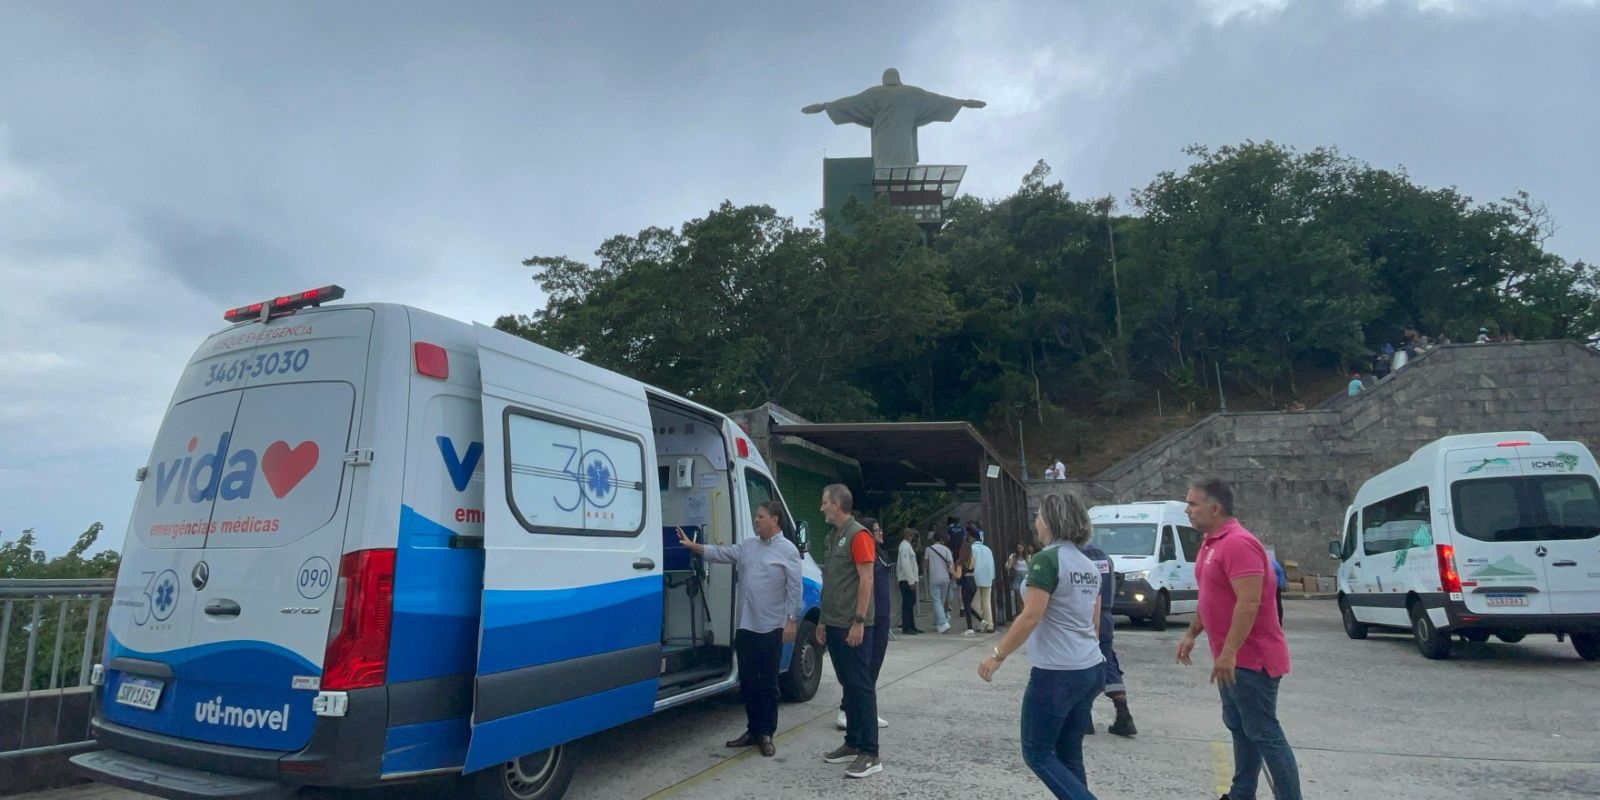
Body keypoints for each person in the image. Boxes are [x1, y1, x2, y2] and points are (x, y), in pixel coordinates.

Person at [1177, 479, 1301, 800]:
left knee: (1264, 732)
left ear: (1215, 508)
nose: (1187, 510)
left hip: (1252, 659)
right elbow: (1210, 596)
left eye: (1193, 503)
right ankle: (1241, 793)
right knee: (1240, 727)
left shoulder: (1238, 543)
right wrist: (1192, 634)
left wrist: (1230, 651)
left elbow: (1249, 601)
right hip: (1230, 660)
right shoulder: (1210, 543)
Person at [977, 493, 1106, 799]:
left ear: (1049, 521)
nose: (1035, 522)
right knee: (1069, 752)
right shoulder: (1088, 566)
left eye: (1038, 516)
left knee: (1037, 753)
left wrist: (997, 654)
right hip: (1090, 665)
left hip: (1057, 670)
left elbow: (1031, 615)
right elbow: (1095, 623)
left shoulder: (1046, 560)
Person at [673, 500, 801, 758]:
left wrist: (791, 620)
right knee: (748, 682)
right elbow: (722, 553)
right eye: (756, 516)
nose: (756, 520)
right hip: (745, 626)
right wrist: (694, 546)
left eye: (761, 516)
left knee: (768, 683)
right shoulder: (748, 546)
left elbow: (794, 588)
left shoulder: (788, 550)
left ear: (774, 520)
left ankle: (766, 733)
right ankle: (753, 730)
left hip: (770, 627)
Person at [815, 484, 882, 778]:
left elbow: (866, 579)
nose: (821, 508)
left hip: (851, 625)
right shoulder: (833, 536)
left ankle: (870, 752)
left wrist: (858, 621)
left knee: (861, 686)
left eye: (824, 502)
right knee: (849, 685)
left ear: (837, 504)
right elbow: (831, 582)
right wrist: (822, 620)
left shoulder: (858, 535)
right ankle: (853, 742)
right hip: (834, 622)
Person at [839, 518, 894, 732]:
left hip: (882, 616)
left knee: (875, 664)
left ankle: (867, 711)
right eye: (877, 530)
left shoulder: (881, 554)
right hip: (869, 618)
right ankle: (846, 709)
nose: (881, 533)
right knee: (861, 667)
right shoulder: (863, 555)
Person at [1079, 536, 1137, 737]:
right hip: (1105, 615)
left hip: (1083, 617)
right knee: (1107, 661)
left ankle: (1084, 718)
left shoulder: (1074, 556)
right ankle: (1123, 711)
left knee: (1082, 666)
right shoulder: (1103, 556)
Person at [925, 530, 954, 634]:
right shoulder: (946, 550)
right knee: (941, 601)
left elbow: (925, 564)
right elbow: (951, 565)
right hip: (945, 578)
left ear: (933, 539)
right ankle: (939, 624)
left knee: (936, 601)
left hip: (934, 577)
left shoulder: (928, 549)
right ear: (942, 540)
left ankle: (943, 622)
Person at [896, 527, 923, 635]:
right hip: (906, 580)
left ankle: (911, 625)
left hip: (909, 579)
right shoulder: (904, 547)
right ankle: (906, 627)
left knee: (911, 603)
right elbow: (906, 565)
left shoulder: (907, 546)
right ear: (910, 535)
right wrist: (911, 581)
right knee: (907, 604)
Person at [971, 530, 996, 633]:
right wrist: (992, 577)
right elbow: (991, 564)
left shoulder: (972, 548)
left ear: (971, 537)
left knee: (975, 602)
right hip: (987, 577)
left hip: (975, 577)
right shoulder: (987, 549)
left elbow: (971, 563)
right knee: (986, 602)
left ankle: (981, 623)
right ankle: (990, 625)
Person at [955, 534, 979, 636]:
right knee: (969, 605)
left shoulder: (960, 561)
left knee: (966, 606)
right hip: (973, 582)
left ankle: (970, 628)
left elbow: (958, 575)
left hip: (965, 584)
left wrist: (952, 571)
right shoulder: (973, 559)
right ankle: (982, 620)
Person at [1007, 542, 1030, 615]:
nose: (1020, 550)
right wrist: (1011, 562)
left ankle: (1024, 612)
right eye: (1018, 548)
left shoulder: (1027, 556)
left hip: (1025, 576)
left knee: (1025, 595)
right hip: (1017, 576)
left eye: (1021, 548)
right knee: (1019, 596)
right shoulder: (1013, 556)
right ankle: (1021, 612)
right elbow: (1008, 566)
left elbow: (1029, 567)